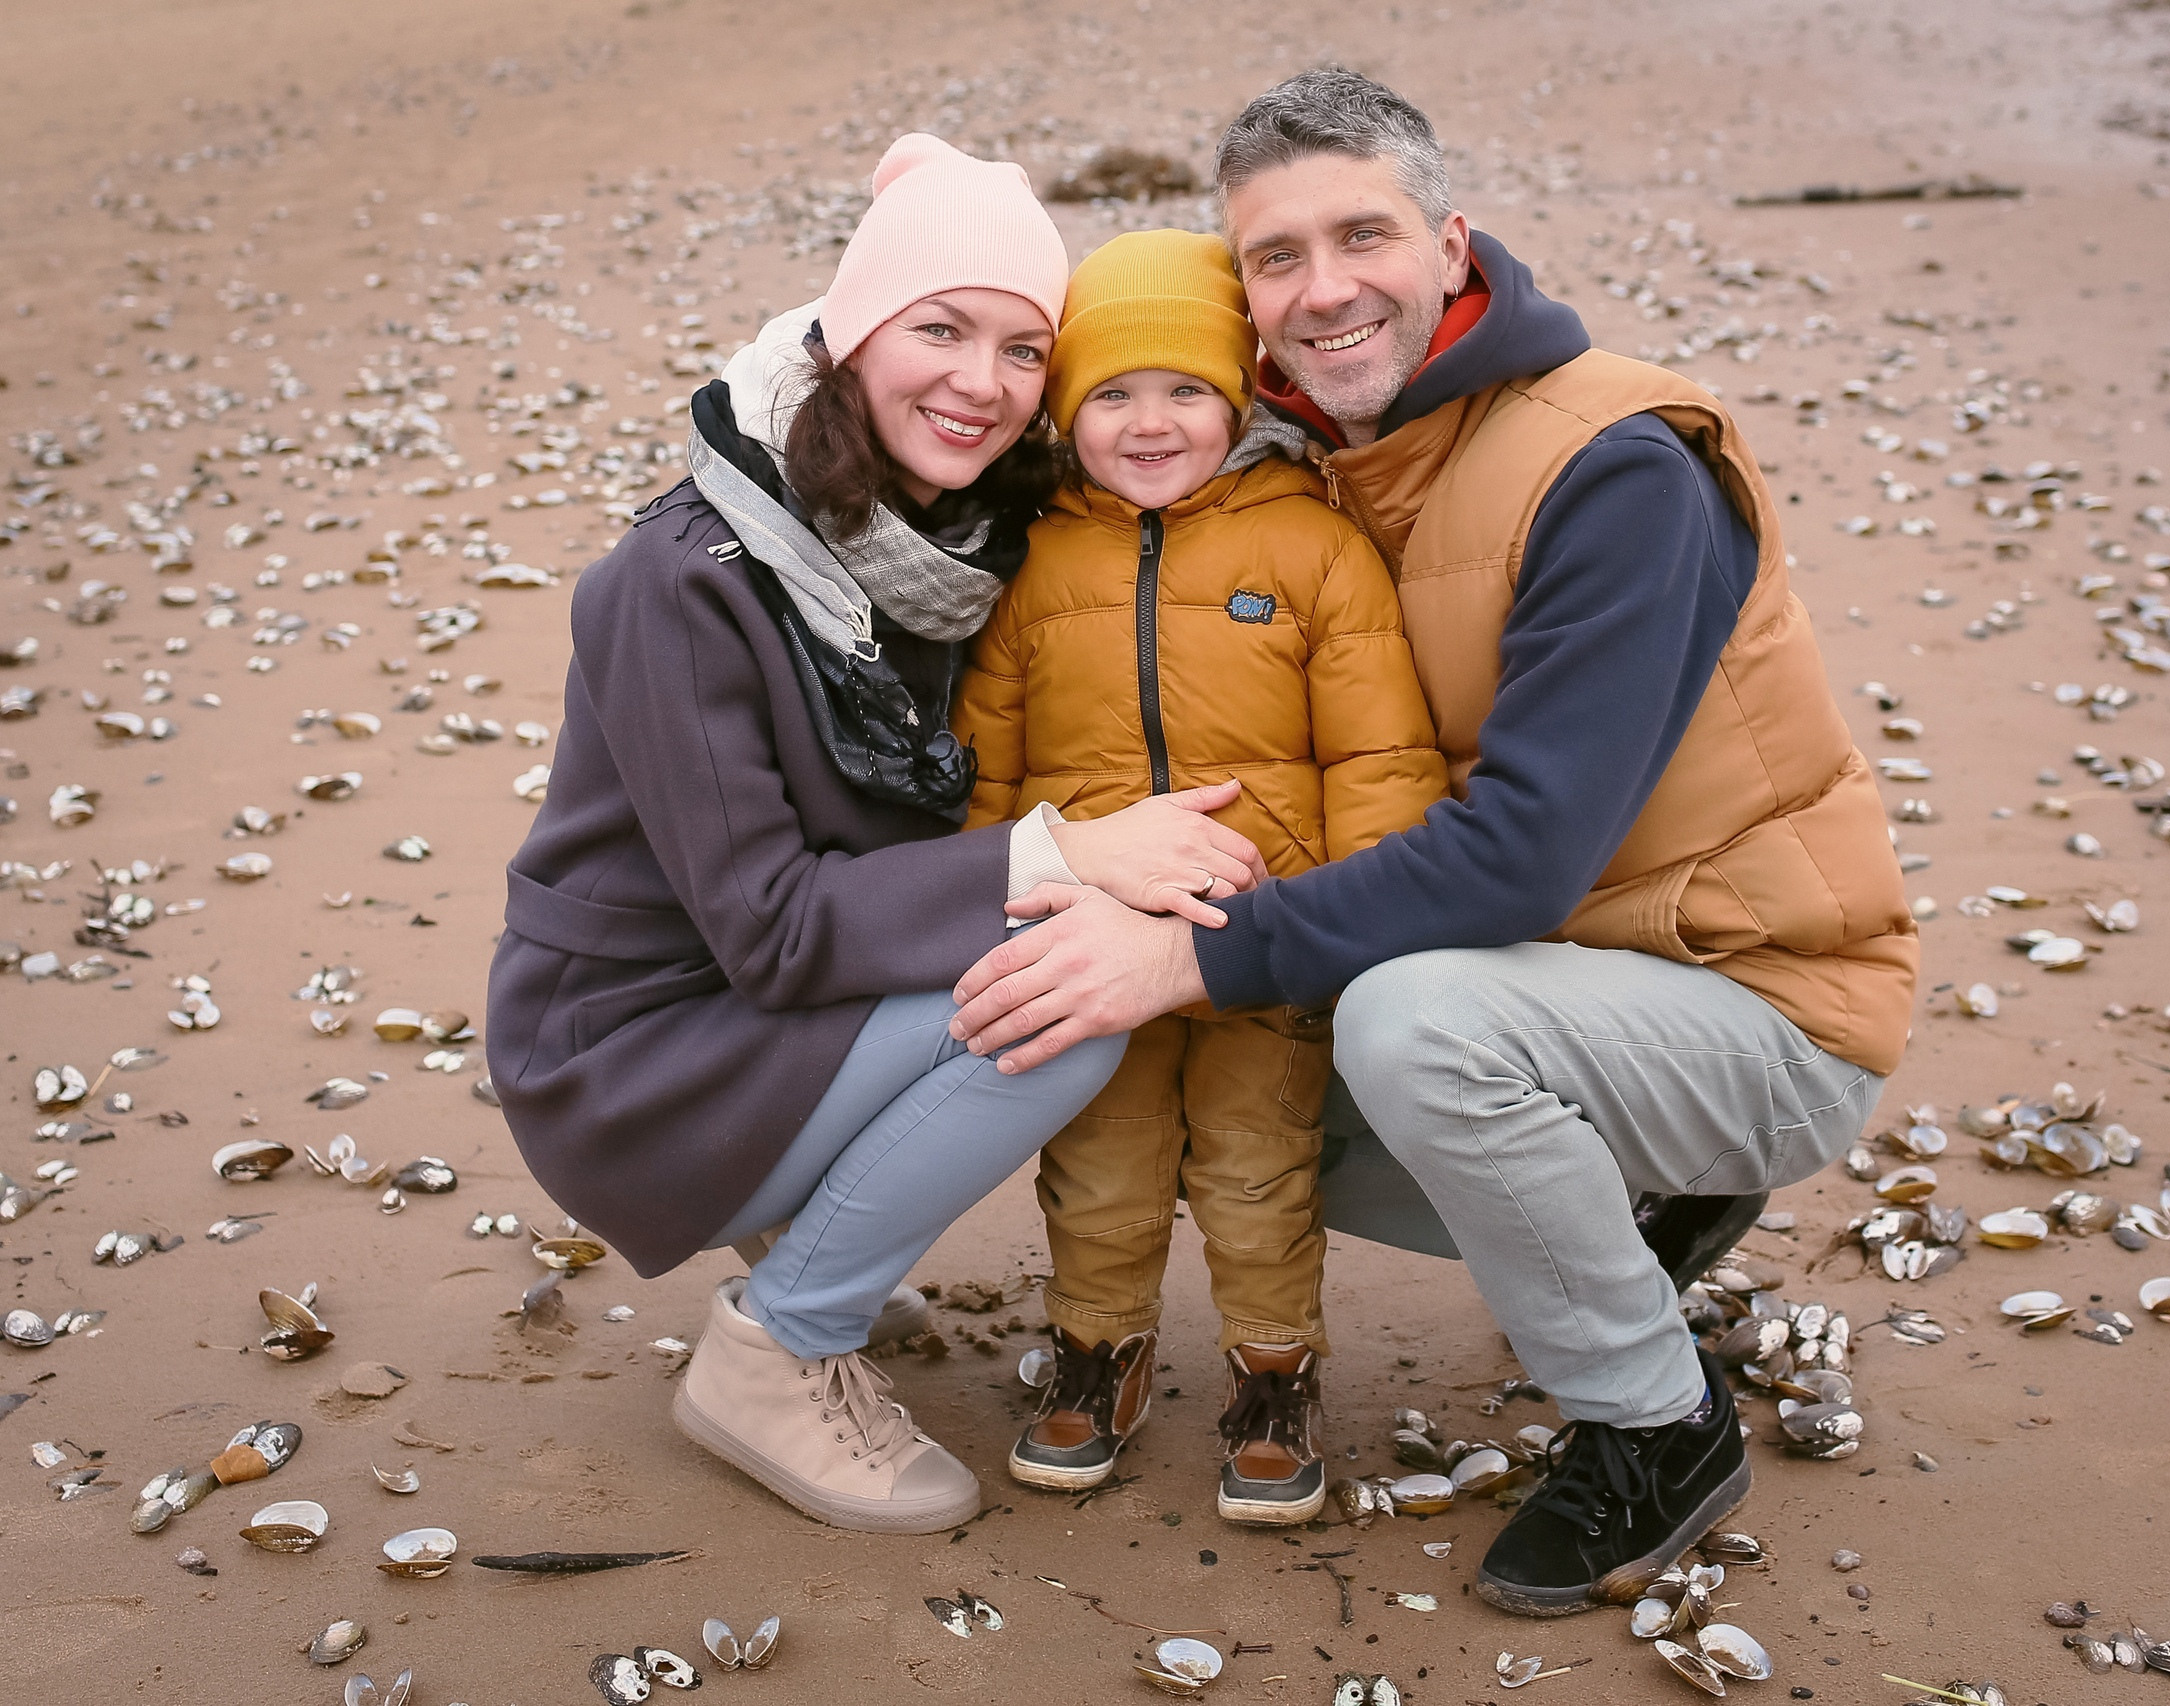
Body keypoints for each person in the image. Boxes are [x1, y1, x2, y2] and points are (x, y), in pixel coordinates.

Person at [947, 72, 1919, 1610]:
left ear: (1452, 243)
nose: (1325, 286)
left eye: (1364, 234)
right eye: (1278, 257)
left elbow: (1521, 854)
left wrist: (1180, 958)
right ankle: (1631, 1196)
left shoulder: (1615, 470)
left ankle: (1658, 1427)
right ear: (1246, 305)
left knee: (1398, 1023)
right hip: (1578, 975)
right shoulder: (1322, 451)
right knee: (1252, 1096)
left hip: (1759, 997)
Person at [484, 134, 1265, 1535]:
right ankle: (777, 1349)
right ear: (852, 332)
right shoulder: (678, 584)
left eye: (1024, 350)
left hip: (738, 1008)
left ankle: (804, 1214)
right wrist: (1071, 853)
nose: (981, 382)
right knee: (1072, 994)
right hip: (627, 1060)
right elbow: (775, 928)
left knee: (1055, 950)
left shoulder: (939, 543)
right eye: (942, 328)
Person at [952, 229, 1447, 1523]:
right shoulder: (1038, 564)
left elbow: (1381, 749)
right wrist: (982, 903)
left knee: (1257, 1166)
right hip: (1087, 939)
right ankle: (1096, 1350)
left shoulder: (1312, 546)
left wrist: (1357, 922)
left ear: (1238, 394)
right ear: (1067, 412)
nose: (1151, 420)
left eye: (1184, 389)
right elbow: (989, 768)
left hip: (1260, 935)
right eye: (1112, 393)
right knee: (1098, 1163)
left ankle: (1274, 1372)